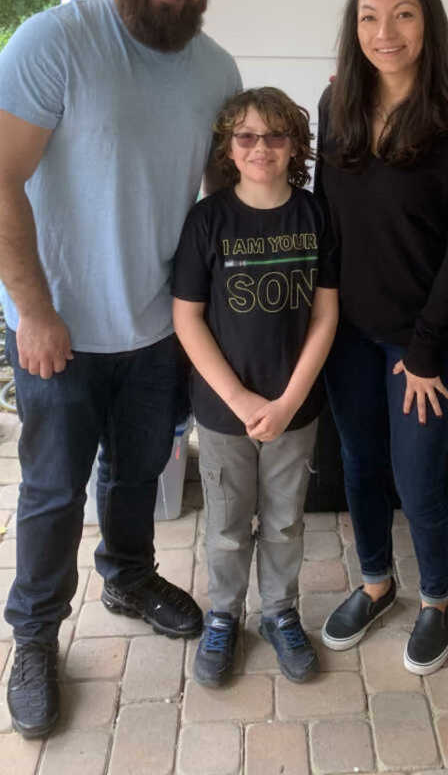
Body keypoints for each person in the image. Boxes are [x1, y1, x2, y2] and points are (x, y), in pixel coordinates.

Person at [0, 0, 241, 738]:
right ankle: (35, 638)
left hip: (159, 330)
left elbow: (219, 200)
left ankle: (128, 577)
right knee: (53, 492)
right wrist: (35, 309)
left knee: (138, 472)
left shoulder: (216, 70)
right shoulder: (57, 40)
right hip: (64, 332)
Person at [315, 0, 448, 675]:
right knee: (360, 464)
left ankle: (439, 599)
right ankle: (378, 583)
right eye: (369, 16)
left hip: (428, 339)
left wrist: (422, 350)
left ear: (430, 23)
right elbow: (326, 224)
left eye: (404, 14)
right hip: (350, 334)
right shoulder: (335, 106)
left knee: (419, 479)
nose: (385, 32)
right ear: (353, 28)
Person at [172, 88, 339, 686]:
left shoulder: (315, 214)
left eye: (274, 135)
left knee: (286, 519)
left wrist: (290, 399)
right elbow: (187, 316)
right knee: (225, 520)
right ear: (228, 146)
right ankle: (223, 614)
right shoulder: (208, 219)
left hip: (296, 407)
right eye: (246, 136)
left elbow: (325, 314)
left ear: (294, 144)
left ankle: (279, 611)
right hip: (223, 413)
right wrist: (240, 400)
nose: (260, 148)